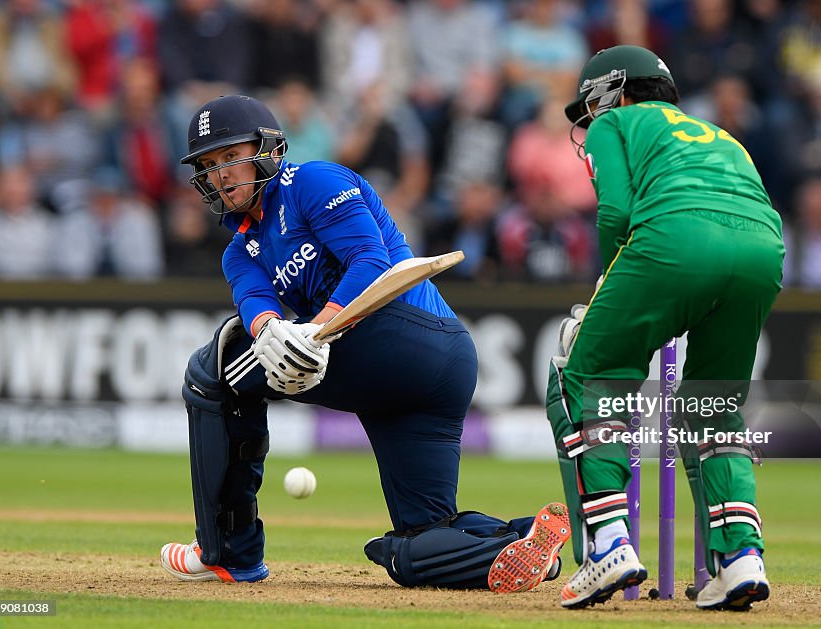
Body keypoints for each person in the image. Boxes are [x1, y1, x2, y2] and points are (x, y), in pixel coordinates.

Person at [159, 95, 569, 594]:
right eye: (209, 165)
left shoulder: (311, 181)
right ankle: (516, 543)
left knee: (211, 373)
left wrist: (315, 331)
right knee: (416, 545)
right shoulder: (238, 251)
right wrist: (273, 332)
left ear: (267, 149)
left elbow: (371, 262)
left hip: (410, 335)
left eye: (230, 157)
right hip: (405, 383)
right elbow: (255, 305)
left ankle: (227, 553)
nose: (221, 174)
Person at [548, 45, 784, 610]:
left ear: (612, 94)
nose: (588, 124)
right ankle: (740, 559)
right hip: (763, 251)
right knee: (714, 406)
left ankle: (608, 542)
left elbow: (616, 215)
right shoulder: (722, 135)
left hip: (675, 240)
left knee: (587, 378)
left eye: (590, 109)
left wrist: (605, 293)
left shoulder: (616, 122)